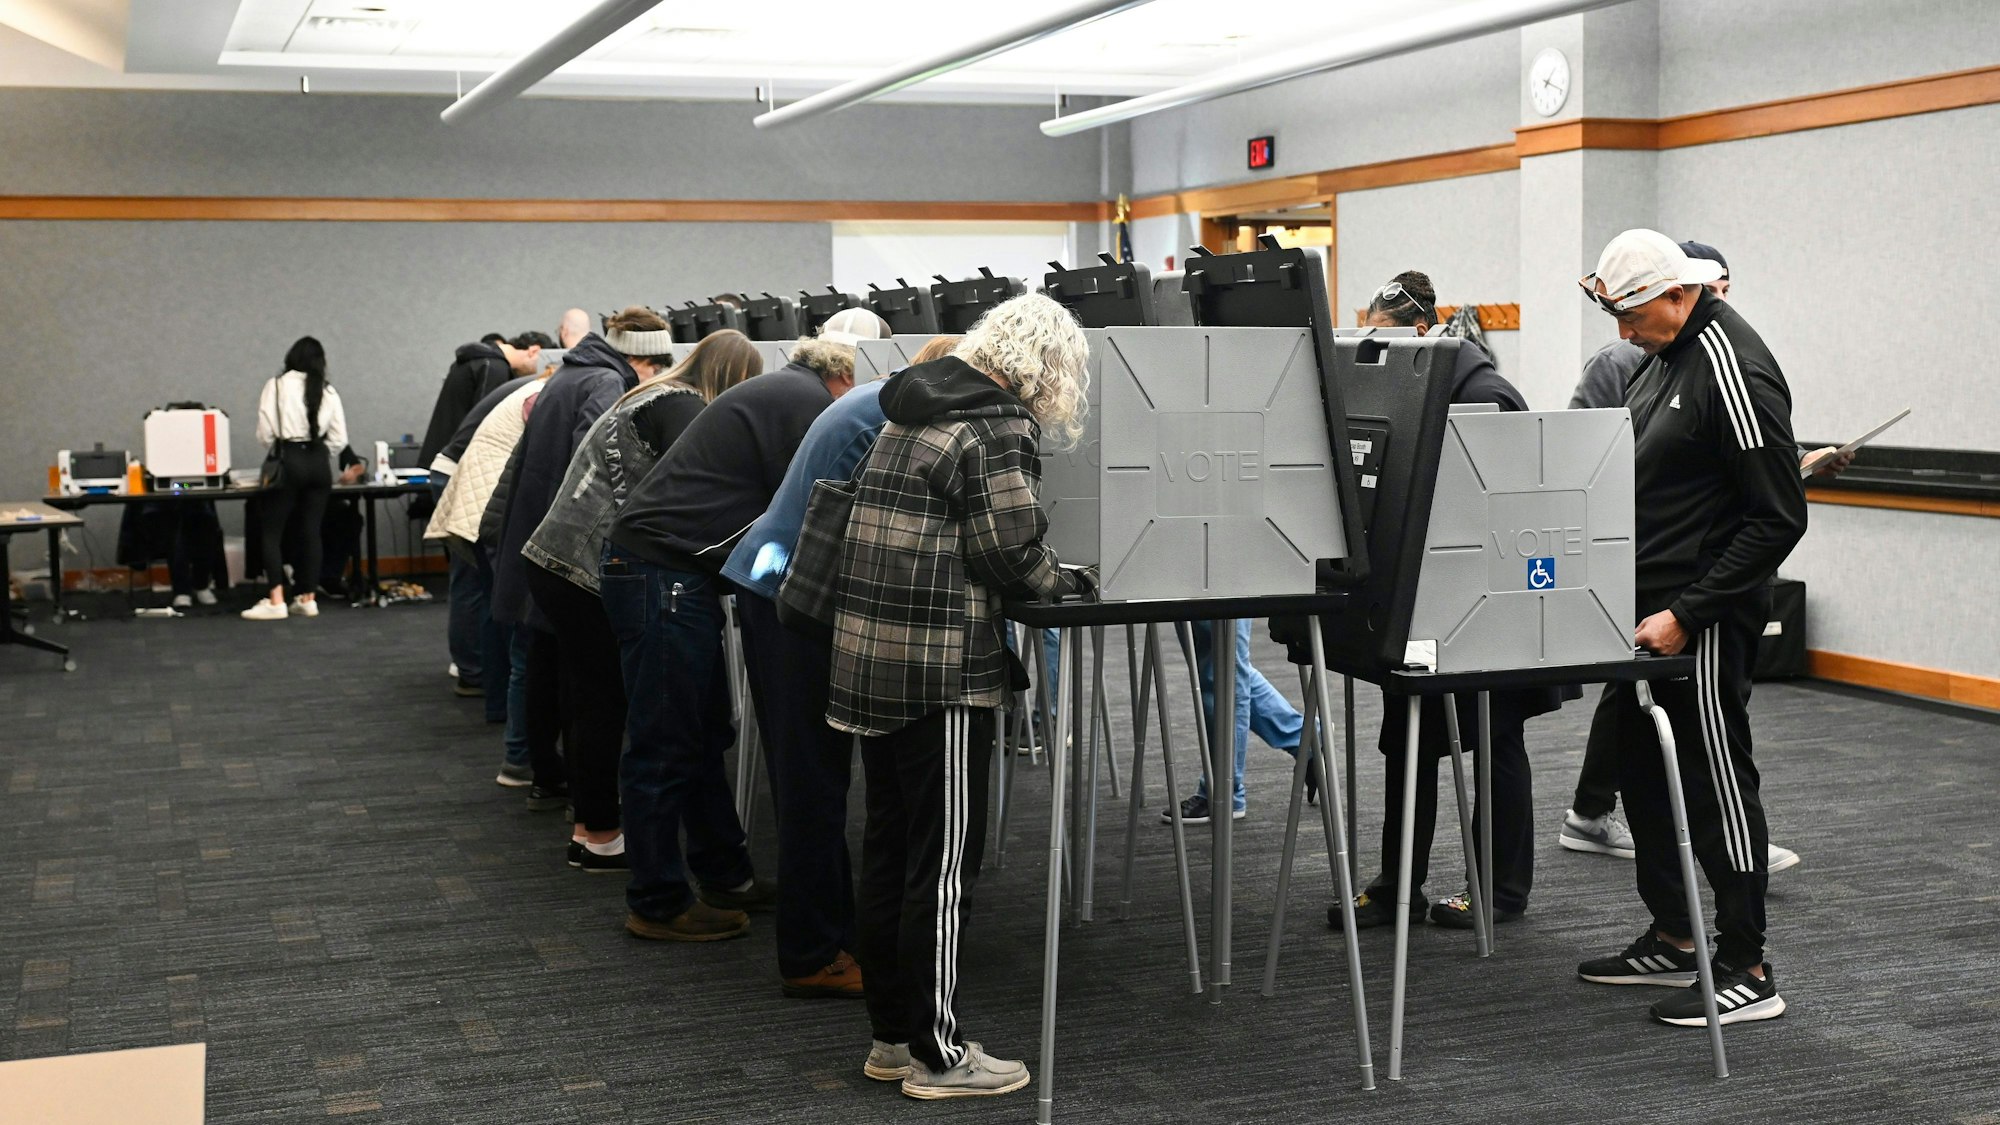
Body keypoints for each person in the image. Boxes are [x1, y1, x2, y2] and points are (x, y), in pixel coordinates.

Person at [826, 294, 1090, 1099]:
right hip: (939, 667)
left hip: (870, 654)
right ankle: (939, 1056)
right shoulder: (994, 421)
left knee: (888, 849)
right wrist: (1071, 584)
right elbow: (1009, 551)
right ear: (1045, 366)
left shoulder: (914, 402)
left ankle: (892, 1039)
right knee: (941, 866)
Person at [1571, 229, 1806, 1027]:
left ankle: (1748, 963)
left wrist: (1687, 613)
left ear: (1679, 294)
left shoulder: (1733, 367)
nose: (1622, 333)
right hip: (1646, 616)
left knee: (1715, 781)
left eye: (1632, 314)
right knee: (1638, 767)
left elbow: (1777, 517)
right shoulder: (1666, 356)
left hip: (1698, 618)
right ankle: (1675, 935)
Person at [599, 308, 890, 949]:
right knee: (667, 741)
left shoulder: (790, 389)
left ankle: (722, 876)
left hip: (663, 566)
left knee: (701, 733)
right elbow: (817, 516)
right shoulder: (806, 406)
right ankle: (655, 900)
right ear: (850, 373)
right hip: (660, 570)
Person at [718, 330, 958, 1001]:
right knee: (812, 783)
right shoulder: (896, 417)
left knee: (810, 778)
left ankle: (829, 936)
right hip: (793, 595)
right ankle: (811, 951)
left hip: (777, 584)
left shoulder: (874, 399)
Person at [1325, 272, 1562, 932]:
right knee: (1408, 738)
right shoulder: (1409, 391)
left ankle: (1500, 891)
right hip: (1423, 597)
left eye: (1387, 334)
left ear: (1425, 331)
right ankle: (1399, 883)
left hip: (1494, 599)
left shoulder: (1486, 393)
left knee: (1496, 739)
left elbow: (1516, 507)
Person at [523, 329, 761, 875]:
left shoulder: (649, 394)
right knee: (608, 703)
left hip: (555, 558)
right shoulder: (683, 407)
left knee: (591, 699)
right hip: (583, 566)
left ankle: (592, 829)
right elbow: (696, 491)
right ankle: (602, 832)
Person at [494, 309, 673, 817]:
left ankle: (543, 775)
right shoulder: (605, 381)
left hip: (538, 534)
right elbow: (599, 470)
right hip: (566, 548)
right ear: (642, 358)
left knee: (546, 664)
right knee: (579, 680)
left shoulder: (574, 371)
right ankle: (575, 787)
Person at [426, 349, 557, 774]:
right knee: (505, 615)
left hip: (474, 488)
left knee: (490, 602)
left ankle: (488, 693)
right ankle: (511, 742)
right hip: (482, 498)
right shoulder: (544, 395)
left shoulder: (535, 386)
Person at [243, 336, 347, 621]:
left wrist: (282, 449)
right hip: (318, 462)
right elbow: (339, 439)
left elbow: (265, 432)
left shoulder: (275, 386)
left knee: (271, 532)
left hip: (288, 460)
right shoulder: (328, 390)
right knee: (311, 531)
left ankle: (276, 600)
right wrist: (317, 452)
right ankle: (307, 598)